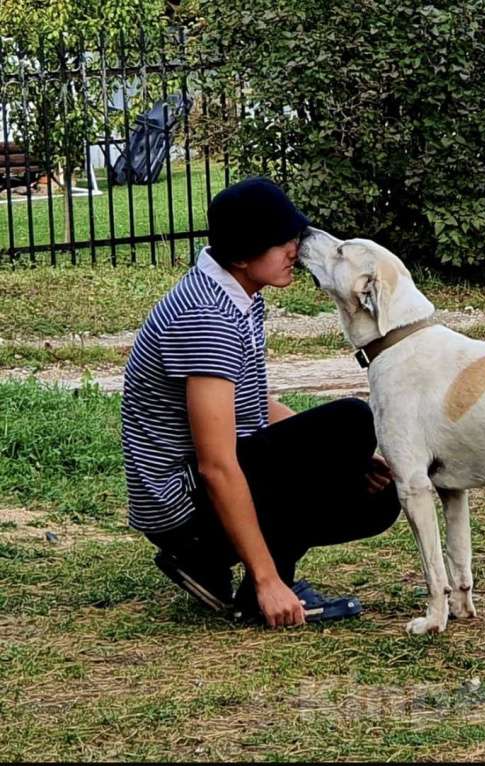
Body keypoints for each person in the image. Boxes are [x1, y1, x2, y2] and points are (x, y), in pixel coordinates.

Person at [121, 177, 400, 628]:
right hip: (182, 503)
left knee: (375, 496)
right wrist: (267, 578)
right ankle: (249, 582)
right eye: (280, 241)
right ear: (243, 254)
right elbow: (216, 464)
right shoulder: (206, 316)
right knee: (353, 419)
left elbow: (253, 404)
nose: (295, 249)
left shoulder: (239, 294)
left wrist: (345, 459)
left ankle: (212, 567)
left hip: (204, 485)